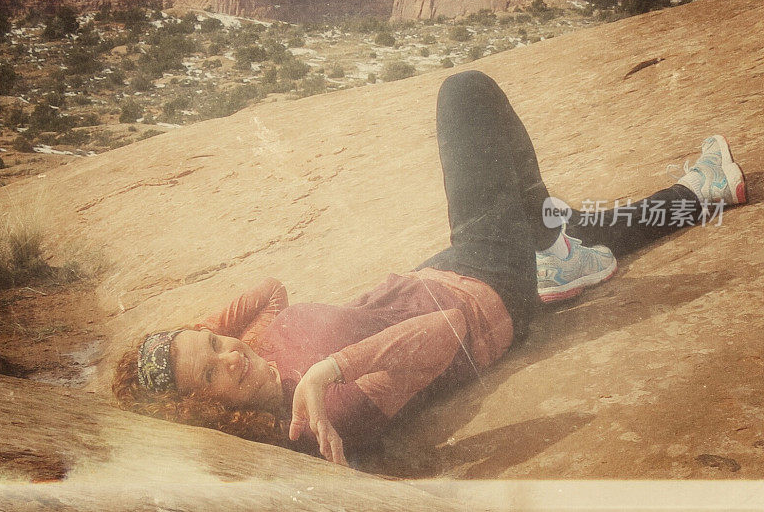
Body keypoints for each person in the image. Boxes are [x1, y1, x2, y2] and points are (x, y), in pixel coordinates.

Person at [113, 70, 747, 466]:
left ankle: (706, 190)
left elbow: (271, 291)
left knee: (561, 226)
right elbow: (443, 332)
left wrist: (189, 336)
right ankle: (549, 254)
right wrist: (328, 372)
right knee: (465, 94)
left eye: (218, 343)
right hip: (488, 299)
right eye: (212, 370)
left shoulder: (256, 352)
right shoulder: (326, 415)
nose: (230, 352)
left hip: (446, 267)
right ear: (205, 412)